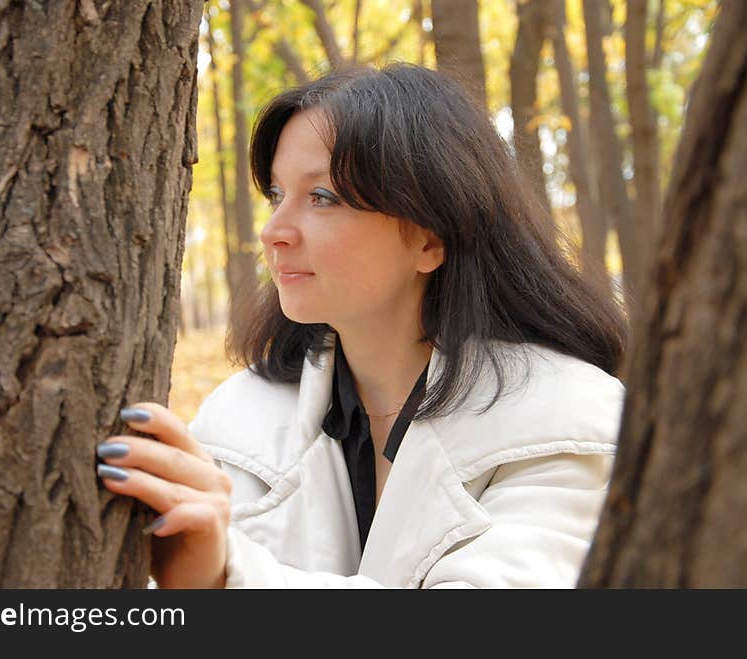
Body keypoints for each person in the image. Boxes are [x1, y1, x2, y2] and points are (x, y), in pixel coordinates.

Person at [96, 63, 627, 588]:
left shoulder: (569, 421)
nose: (273, 231)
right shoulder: (238, 419)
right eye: (277, 195)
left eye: (322, 198)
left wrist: (226, 577)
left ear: (430, 238)